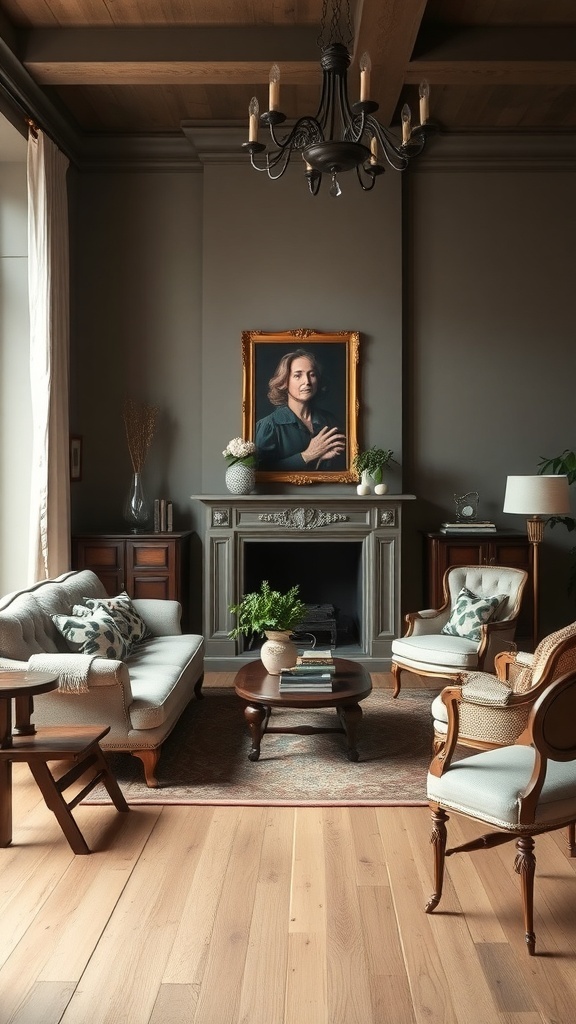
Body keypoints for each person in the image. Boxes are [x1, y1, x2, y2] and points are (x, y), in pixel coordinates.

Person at [255, 349, 346, 472]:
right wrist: (307, 456)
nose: (307, 382)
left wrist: (320, 459)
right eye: (298, 375)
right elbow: (260, 473)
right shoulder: (269, 426)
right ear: (283, 382)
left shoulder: (331, 421)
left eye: (312, 374)